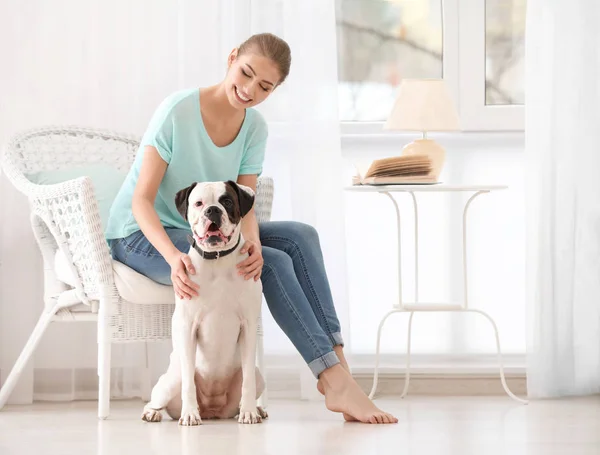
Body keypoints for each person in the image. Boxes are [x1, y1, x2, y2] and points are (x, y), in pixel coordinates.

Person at [105, 33, 397, 425]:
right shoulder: (177, 112)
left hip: (209, 230)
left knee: (300, 236)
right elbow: (141, 202)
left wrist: (254, 244)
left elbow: (245, 205)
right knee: (273, 265)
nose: (249, 90)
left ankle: (338, 367)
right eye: (245, 74)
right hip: (142, 235)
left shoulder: (254, 127)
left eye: (264, 86)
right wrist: (174, 257)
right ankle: (332, 378)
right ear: (231, 59)